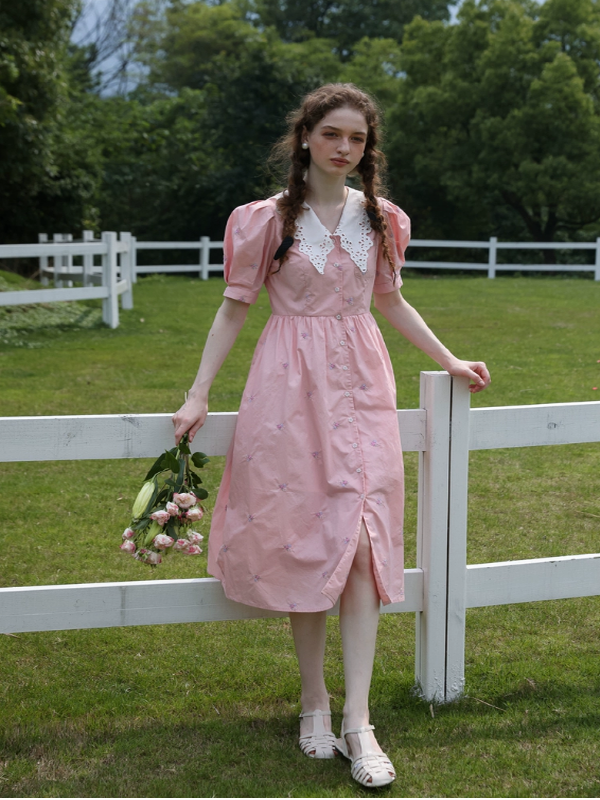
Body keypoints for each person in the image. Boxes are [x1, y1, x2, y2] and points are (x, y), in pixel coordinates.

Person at [172, 83, 490, 789]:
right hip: (288, 391)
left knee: (362, 547)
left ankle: (358, 718)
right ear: (306, 138)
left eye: (358, 139)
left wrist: (448, 360)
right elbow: (233, 310)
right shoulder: (264, 221)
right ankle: (313, 703)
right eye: (333, 135)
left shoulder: (381, 219)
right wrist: (199, 393)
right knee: (308, 543)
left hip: (364, 390)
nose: (346, 149)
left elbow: (391, 300)